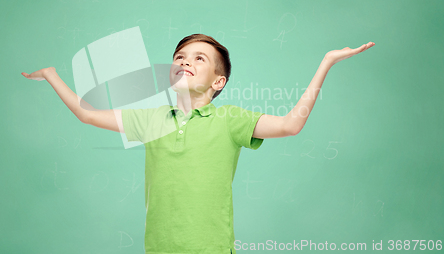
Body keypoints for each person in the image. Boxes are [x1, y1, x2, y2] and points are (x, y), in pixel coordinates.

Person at [22, 34, 375, 254]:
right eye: (180, 57)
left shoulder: (230, 120)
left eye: (198, 59)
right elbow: (87, 114)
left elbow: (290, 125)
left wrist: (326, 62)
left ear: (218, 82)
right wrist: (52, 76)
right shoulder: (151, 119)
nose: (185, 61)